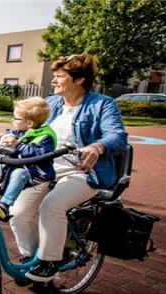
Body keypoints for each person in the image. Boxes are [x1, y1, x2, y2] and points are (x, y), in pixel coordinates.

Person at [9, 53, 127, 282]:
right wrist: (8, 137)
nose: (53, 81)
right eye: (54, 76)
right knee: (17, 212)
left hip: (82, 171)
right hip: (45, 169)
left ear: (79, 79)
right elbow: (26, 125)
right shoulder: (50, 103)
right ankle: (31, 257)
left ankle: (49, 260)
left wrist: (98, 146)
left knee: (51, 206)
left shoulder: (102, 104)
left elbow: (118, 135)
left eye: (59, 76)